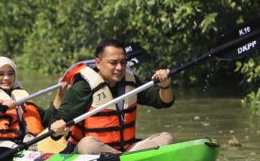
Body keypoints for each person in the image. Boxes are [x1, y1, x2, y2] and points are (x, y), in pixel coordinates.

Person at [46, 39, 175, 154]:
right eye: (113, 63)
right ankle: (123, 160)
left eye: (123, 62)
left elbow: (164, 101)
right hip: (91, 152)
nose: (119, 68)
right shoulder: (83, 87)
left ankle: (122, 160)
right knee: (88, 144)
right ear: (98, 62)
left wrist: (165, 86)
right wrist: (58, 128)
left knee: (166, 138)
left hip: (125, 149)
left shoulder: (130, 80)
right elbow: (56, 128)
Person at [0, 57, 65, 146]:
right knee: (9, 145)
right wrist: (0, 108)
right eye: (1, 74)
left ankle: (32, 148)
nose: (6, 78)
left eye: (10, 74)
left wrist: (60, 94)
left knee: (33, 141)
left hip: (25, 142)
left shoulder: (20, 94)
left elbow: (46, 120)